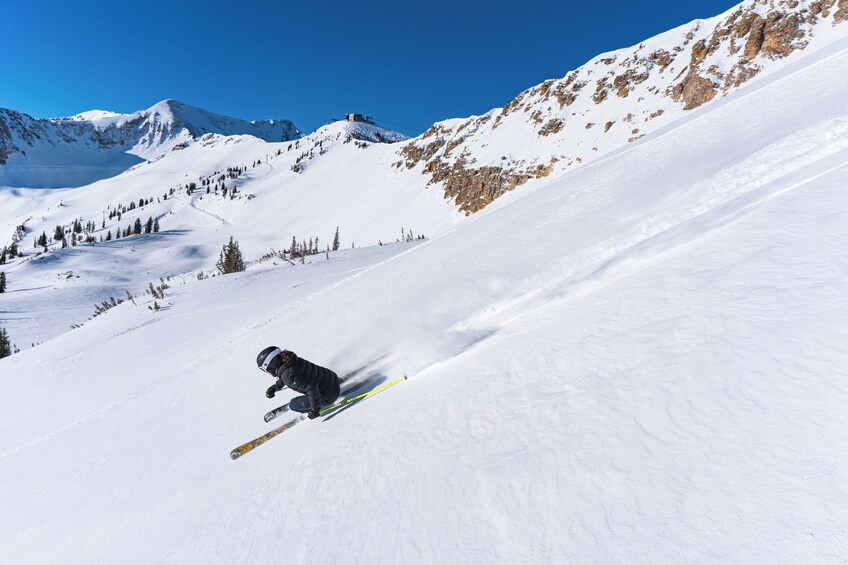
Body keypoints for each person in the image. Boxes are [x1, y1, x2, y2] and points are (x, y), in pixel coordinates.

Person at [256, 347, 340, 419]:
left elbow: (312, 388)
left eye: (265, 369)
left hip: (329, 396)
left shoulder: (287, 376)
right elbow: (288, 375)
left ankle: (302, 408)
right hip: (333, 378)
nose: (267, 372)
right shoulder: (290, 360)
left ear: (271, 365)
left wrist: (315, 411)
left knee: (293, 404)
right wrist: (275, 387)